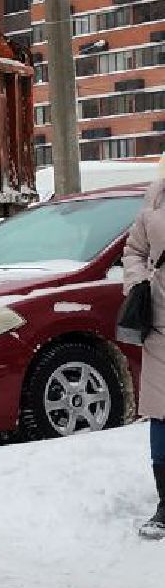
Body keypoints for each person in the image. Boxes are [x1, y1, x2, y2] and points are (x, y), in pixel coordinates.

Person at [121, 174, 165, 539]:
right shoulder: (157, 197)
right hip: (162, 325)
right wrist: (138, 284)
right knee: (162, 413)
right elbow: (134, 251)